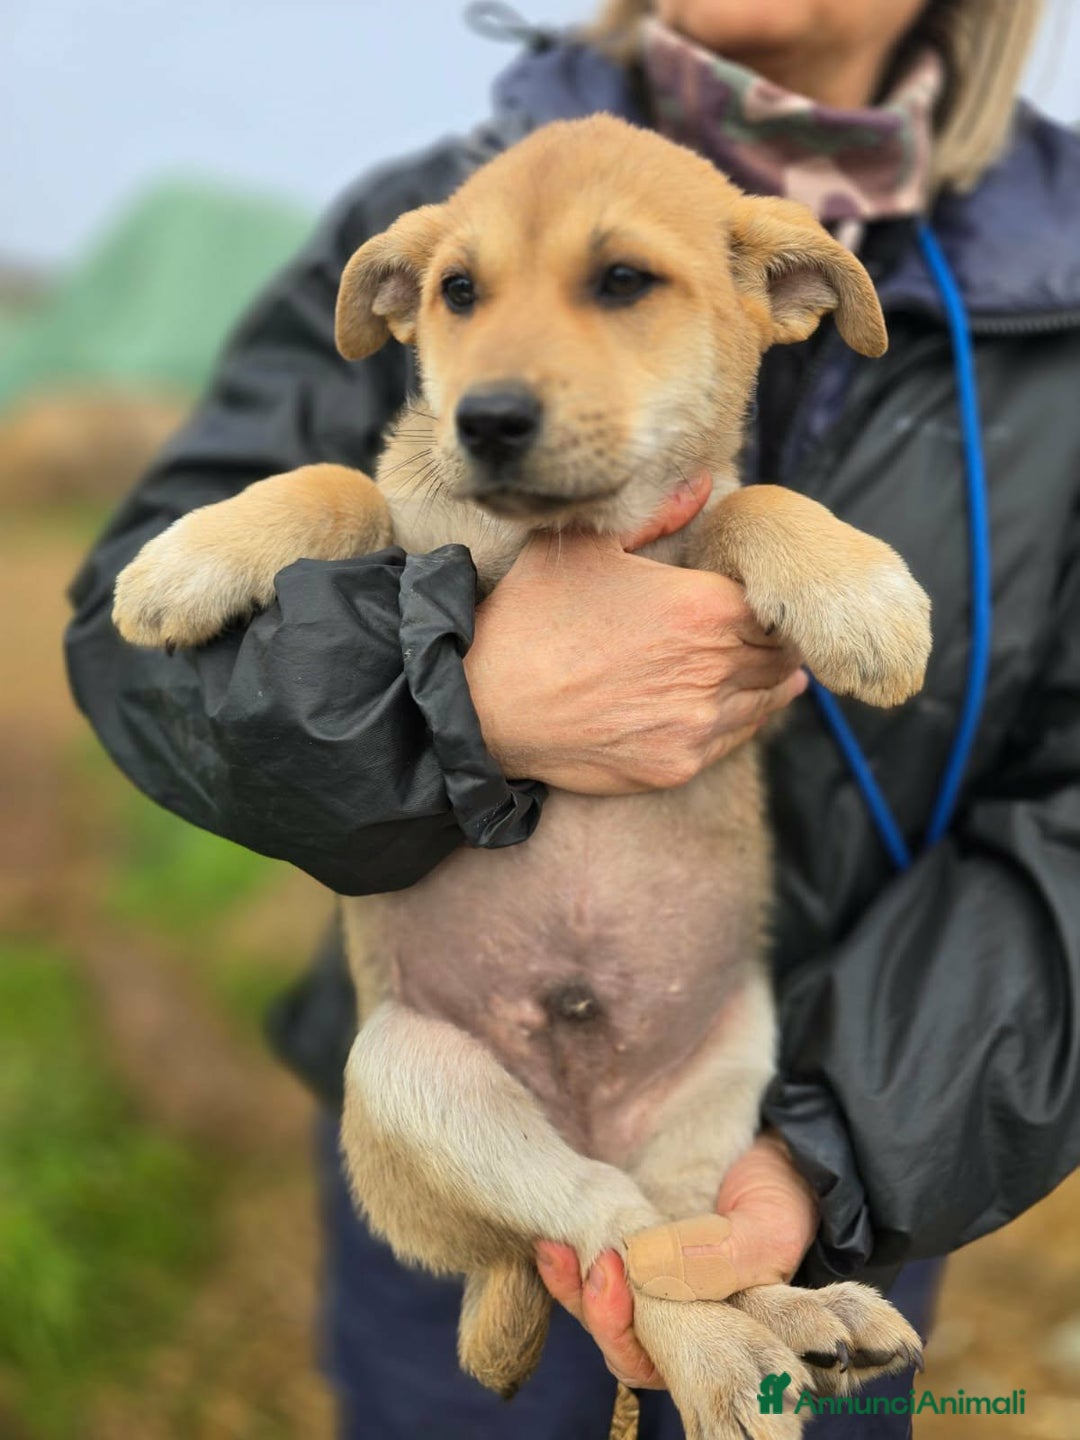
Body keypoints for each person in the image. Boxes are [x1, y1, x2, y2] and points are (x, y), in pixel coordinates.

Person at [64, 0, 1080, 1436]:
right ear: (408, 296)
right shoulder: (430, 208)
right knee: (418, 1114)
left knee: (773, 1350)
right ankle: (604, 1243)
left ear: (788, 292)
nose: (501, 380)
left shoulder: (1054, 294)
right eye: (464, 297)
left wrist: (832, 1160)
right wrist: (465, 699)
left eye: (620, 280)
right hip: (463, 1101)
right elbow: (140, 641)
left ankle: (717, 1293)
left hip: (811, 1131)